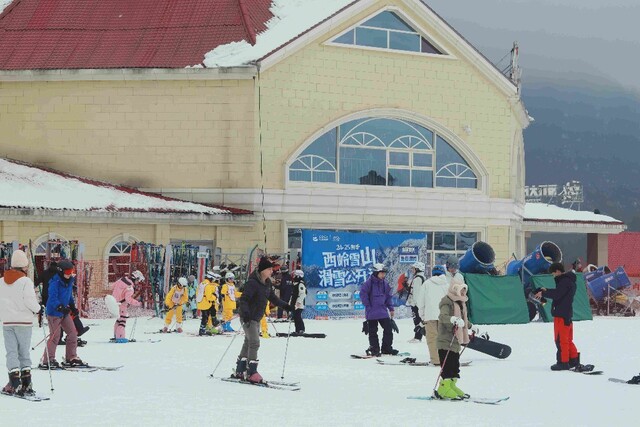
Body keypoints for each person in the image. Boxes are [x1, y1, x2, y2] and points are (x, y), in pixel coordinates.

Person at [232, 257, 292, 383]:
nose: (271, 271)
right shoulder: (252, 283)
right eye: (269, 269)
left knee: (248, 341)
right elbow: (244, 299)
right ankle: (251, 372)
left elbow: (273, 298)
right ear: (262, 270)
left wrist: (286, 306)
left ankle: (240, 370)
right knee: (254, 342)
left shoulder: (267, 283)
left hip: (257, 317)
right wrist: (246, 313)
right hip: (248, 317)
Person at [0, 250, 42, 395]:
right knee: (24, 352)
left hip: (7, 322)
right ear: (24, 266)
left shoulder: (1, 281)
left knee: (11, 351)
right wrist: (38, 309)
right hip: (24, 322)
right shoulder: (25, 281)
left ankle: (14, 382)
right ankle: (26, 382)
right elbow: (30, 301)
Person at [534, 262, 582, 371]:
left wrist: (543, 293)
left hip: (561, 314)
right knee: (568, 340)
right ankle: (573, 360)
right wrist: (546, 290)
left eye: (553, 273)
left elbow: (557, 294)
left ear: (557, 271)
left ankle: (563, 362)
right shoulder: (569, 281)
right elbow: (559, 293)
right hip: (567, 314)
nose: (553, 276)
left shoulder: (564, 281)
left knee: (560, 340)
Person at [40, 259, 85, 368]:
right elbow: (52, 298)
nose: (70, 274)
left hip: (64, 312)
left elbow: (69, 296)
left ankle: (71, 357)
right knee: (55, 336)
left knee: (72, 333)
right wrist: (59, 307)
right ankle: (48, 359)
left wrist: (72, 306)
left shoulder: (69, 281)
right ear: (61, 271)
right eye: (68, 272)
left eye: (71, 271)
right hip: (54, 312)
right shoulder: (54, 282)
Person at [435, 278, 474, 400]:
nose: (463, 293)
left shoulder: (460, 302)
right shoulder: (447, 301)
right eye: (461, 290)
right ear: (455, 289)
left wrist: (471, 326)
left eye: (464, 290)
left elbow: (463, 319)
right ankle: (443, 388)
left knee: (454, 365)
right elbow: (443, 317)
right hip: (446, 340)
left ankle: (451, 386)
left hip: (455, 340)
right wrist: (453, 319)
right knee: (447, 366)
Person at [416, 263, 454, 365]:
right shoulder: (447, 285)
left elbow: (420, 302)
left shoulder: (426, 284)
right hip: (444, 316)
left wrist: (422, 316)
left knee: (432, 339)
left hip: (430, 315)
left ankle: (436, 360)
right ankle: (446, 359)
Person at [360, 263, 397, 357]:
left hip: (383, 312)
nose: (383, 275)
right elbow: (363, 295)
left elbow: (388, 297)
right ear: (376, 273)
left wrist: (391, 308)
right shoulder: (368, 283)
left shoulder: (385, 284)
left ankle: (386, 348)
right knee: (373, 331)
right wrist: (368, 306)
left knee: (388, 329)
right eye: (382, 273)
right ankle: (375, 349)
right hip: (372, 312)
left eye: (384, 273)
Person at [111, 270, 144, 343]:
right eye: (138, 281)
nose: (137, 283)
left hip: (114, 302)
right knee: (123, 320)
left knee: (119, 319)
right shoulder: (130, 287)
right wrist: (137, 303)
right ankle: (120, 337)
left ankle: (116, 335)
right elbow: (128, 299)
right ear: (135, 279)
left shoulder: (121, 280)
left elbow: (112, 286)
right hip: (122, 304)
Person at [405, 262, 426, 343]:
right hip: (418, 303)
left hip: (416, 304)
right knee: (418, 320)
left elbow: (416, 293)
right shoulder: (420, 277)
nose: (412, 270)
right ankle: (417, 336)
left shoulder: (418, 279)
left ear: (418, 269)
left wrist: (415, 304)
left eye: (414, 268)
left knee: (417, 320)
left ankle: (418, 337)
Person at [197, 271, 220, 336]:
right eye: (213, 279)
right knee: (205, 317)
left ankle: (213, 321)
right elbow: (209, 297)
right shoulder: (208, 285)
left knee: (209, 313)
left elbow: (197, 292)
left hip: (201, 302)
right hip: (206, 303)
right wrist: (215, 297)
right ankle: (202, 330)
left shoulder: (202, 283)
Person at [291, 269, 307, 335]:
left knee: (298, 316)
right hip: (294, 303)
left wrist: (298, 302)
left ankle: (301, 329)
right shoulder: (295, 284)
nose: (293, 277)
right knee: (295, 317)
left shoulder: (300, 284)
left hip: (299, 304)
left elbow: (303, 294)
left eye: (295, 275)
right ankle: (297, 330)